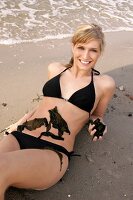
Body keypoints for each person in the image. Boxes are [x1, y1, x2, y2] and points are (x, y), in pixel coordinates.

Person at [0, 23, 115, 199]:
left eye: (93, 50)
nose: (86, 55)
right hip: (20, 135)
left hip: (53, 151)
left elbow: (97, 116)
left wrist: (98, 124)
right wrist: (19, 123)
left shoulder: (104, 84)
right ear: (73, 46)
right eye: (81, 47)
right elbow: (44, 105)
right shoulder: (55, 69)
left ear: (100, 52)